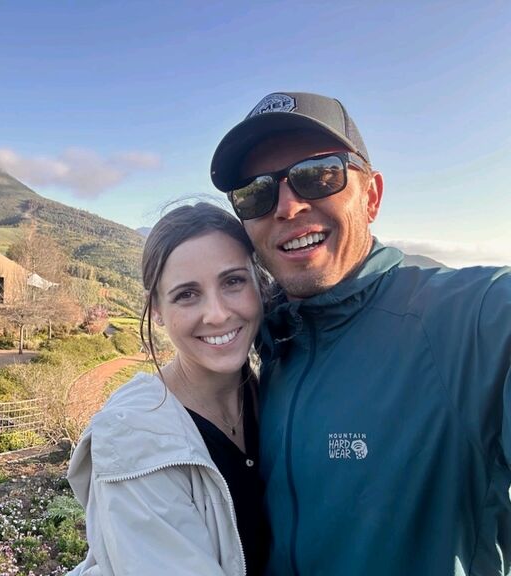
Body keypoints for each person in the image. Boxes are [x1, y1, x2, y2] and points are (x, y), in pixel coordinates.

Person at [210, 91, 511, 575]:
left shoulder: (470, 321)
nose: (286, 207)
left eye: (317, 175)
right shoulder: (271, 343)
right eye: (255, 192)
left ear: (370, 197)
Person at [67, 202, 270, 575]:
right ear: (156, 310)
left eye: (233, 281)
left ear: (258, 282)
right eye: (187, 294)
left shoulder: (272, 396)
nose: (218, 313)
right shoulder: (134, 440)